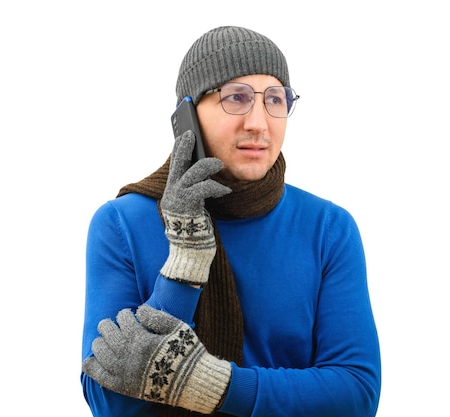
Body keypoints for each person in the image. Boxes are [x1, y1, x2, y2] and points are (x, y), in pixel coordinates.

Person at [81, 25, 381, 417]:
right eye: (236, 97)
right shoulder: (121, 223)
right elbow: (108, 400)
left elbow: (356, 395)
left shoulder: (329, 228)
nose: (258, 122)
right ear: (187, 116)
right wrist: (185, 264)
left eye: (275, 99)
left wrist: (215, 385)